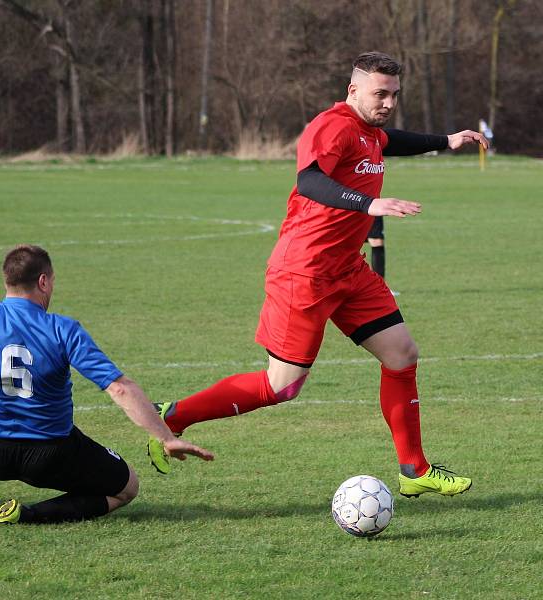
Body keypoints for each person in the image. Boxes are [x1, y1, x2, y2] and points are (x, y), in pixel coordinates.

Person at [147, 51, 487, 498]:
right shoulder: (331, 126)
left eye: (394, 95)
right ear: (353, 90)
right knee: (280, 387)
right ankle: (172, 416)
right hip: (304, 272)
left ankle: (415, 469)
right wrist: (371, 204)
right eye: (378, 93)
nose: (387, 102)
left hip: (348, 270)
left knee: (402, 354)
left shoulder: (370, 132)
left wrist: (447, 140)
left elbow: (390, 140)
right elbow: (310, 180)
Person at [0, 244, 213, 524]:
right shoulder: (63, 330)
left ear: (7, 282)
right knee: (126, 489)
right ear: (44, 281)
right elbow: (120, 389)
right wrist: (165, 437)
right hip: (51, 454)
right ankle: (30, 516)